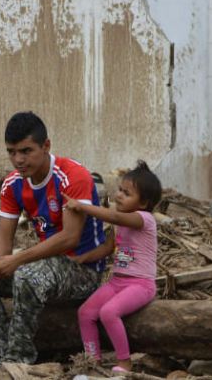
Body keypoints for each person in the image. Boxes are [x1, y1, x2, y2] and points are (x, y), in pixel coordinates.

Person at [0, 111, 107, 364]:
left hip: (82, 270)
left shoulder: (73, 176)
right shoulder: (12, 184)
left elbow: (70, 238)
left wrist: (16, 261)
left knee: (26, 277)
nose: (18, 159)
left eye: (26, 151)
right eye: (11, 152)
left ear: (46, 146)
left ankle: (20, 359)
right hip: (45, 266)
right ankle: (6, 351)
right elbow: (4, 237)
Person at [63, 160, 162, 373]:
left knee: (108, 312)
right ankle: (92, 359)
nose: (118, 195)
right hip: (118, 282)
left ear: (143, 203)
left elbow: (115, 216)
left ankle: (125, 361)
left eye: (126, 193)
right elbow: (108, 247)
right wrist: (81, 259)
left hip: (141, 285)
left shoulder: (144, 219)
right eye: (119, 190)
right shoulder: (121, 223)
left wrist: (83, 206)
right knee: (85, 313)